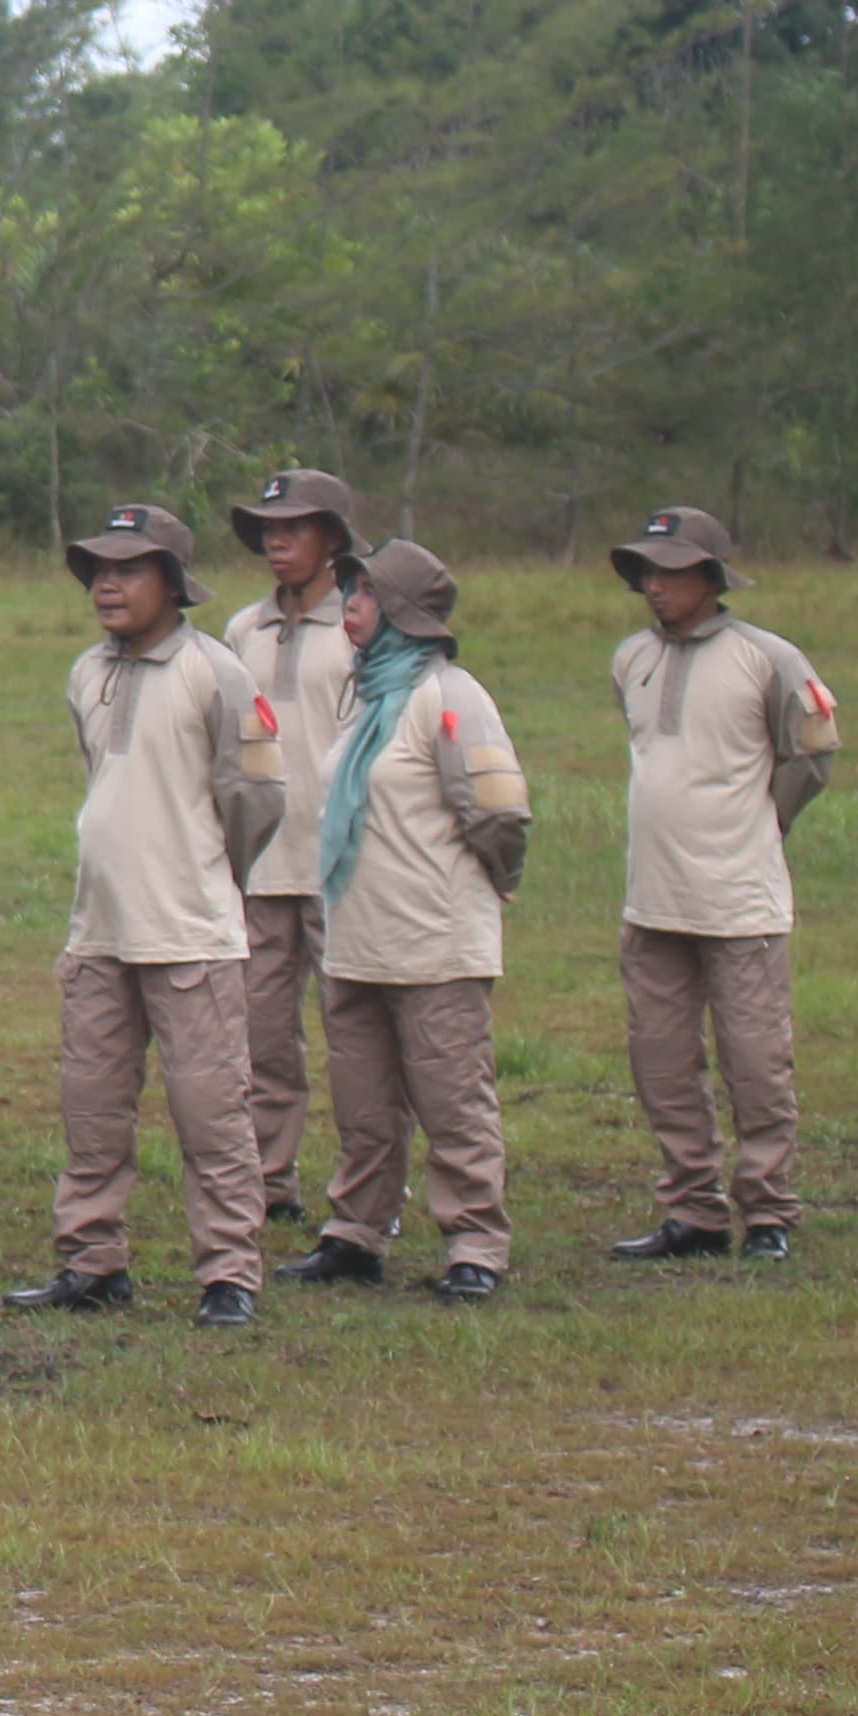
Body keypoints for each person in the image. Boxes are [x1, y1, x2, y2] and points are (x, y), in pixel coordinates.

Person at [11, 503, 288, 1324]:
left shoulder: (217, 672)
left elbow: (257, 798)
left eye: (128, 570)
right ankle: (92, 1262)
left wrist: (201, 874)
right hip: (99, 928)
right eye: (97, 570)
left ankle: (230, 1274)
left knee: (211, 1112)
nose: (107, 585)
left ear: (170, 582)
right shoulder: (85, 673)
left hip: (191, 933)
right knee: (92, 1108)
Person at [602, 506, 839, 1265]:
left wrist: (760, 826)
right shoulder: (630, 657)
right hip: (653, 902)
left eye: (670, 571)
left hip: (739, 903)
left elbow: (811, 754)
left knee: (755, 1061)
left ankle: (769, 1210)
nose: (655, 585)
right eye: (646, 570)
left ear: (711, 576)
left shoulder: (768, 658)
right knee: (662, 1062)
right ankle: (692, 1212)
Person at [295, 539, 529, 1302]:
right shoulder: (363, 698)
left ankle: (476, 1244)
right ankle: (356, 1234)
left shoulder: (451, 695)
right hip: (358, 939)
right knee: (364, 1105)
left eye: (361, 598)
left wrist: (489, 885)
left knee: (453, 1100)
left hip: (433, 941)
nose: (348, 612)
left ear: (399, 614)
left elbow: (496, 811)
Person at [221, 467, 367, 1246]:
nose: (277, 541)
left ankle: (369, 1190)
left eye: (295, 528)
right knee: (262, 1036)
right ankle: (268, 1183)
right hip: (260, 864)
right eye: (268, 530)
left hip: (343, 868)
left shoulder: (362, 624)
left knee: (358, 1042)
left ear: (333, 541)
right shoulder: (242, 630)